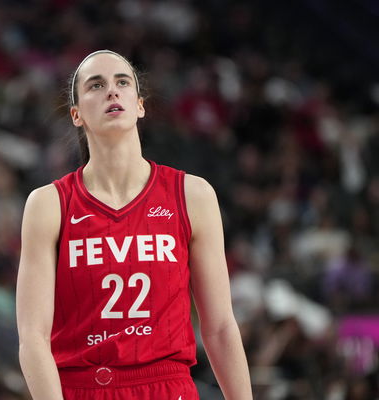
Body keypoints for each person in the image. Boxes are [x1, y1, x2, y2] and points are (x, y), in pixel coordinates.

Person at [16, 50, 252, 400]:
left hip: (169, 387)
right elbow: (33, 338)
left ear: (140, 105)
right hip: (84, 388)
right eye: (96, 85)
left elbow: (219, 328)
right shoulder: (48, 205)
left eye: (122, 82)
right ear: (76, 115)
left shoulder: (192, 195)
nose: (112, 90)